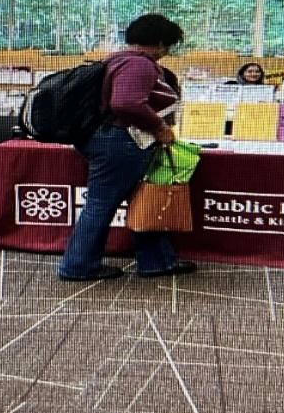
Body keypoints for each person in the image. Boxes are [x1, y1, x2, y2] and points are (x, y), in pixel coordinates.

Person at [58, 14, 197, 281]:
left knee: (145, 197)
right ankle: (78, 266)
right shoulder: (139, 65)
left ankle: (157, 260)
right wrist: (159, 127)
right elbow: (125, 103)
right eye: (168, 46)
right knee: (100, 205)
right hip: (121, 141)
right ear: (158, 43)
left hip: (104, 138)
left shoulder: (115, 59)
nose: (167, 53)